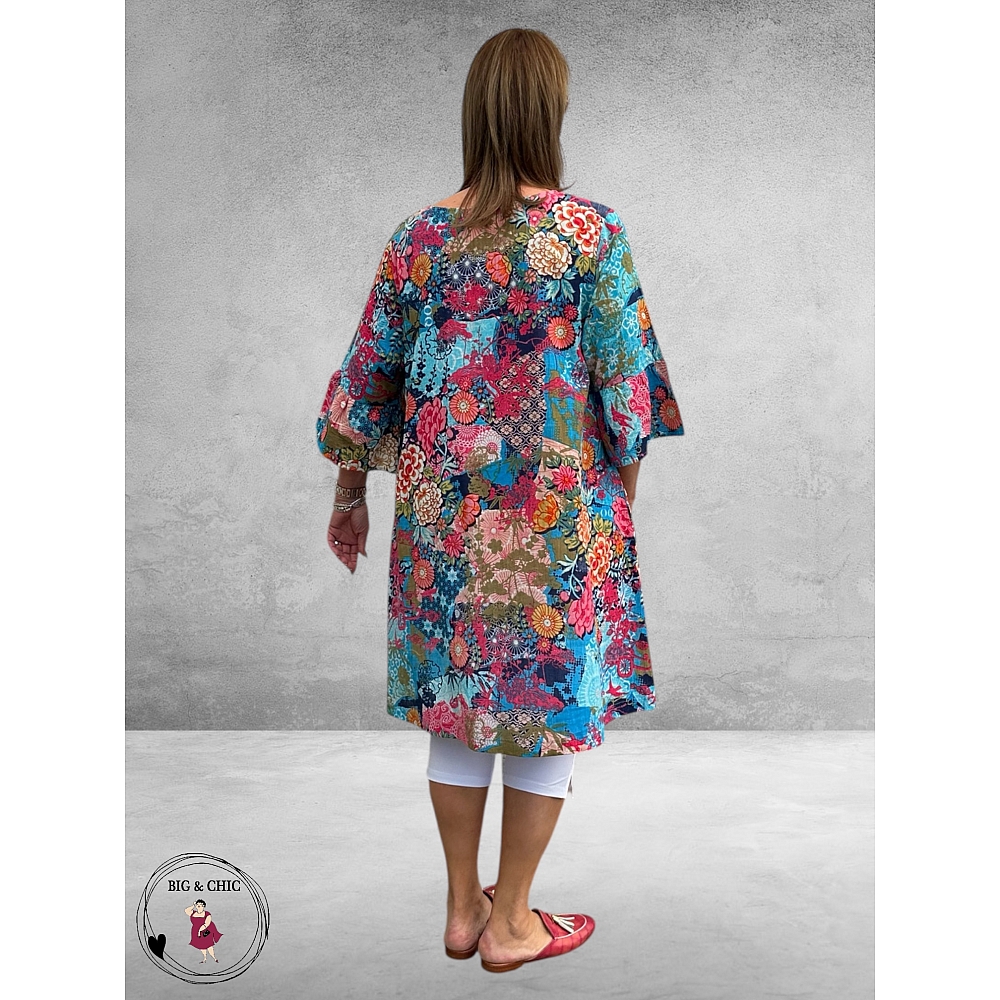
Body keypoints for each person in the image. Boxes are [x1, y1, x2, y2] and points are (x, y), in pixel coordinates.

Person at [316, 28, 683, 973]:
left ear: (475, 113)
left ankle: (459, 906)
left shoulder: (419, 240)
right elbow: (627, 397)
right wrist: (615, 515)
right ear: (549, 113)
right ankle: (513, 919)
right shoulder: (589, 234)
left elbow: (366, 384)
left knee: (459, 702)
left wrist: (350, 495)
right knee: (545, 704)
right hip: (556, 523)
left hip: (445, 524)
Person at [184, 898, 222, 963]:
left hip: (206, 931)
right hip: (195, 931)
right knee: (201, 946)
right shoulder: (193, 913)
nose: (199, 906)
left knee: (209, 945)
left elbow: (207, 923)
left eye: (201, 904)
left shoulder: (207, 914)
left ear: (203, 906)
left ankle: (214, 958)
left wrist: (200, 930)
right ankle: (205, 958)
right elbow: (186, 910)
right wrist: (193, 905)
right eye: (197, 904)